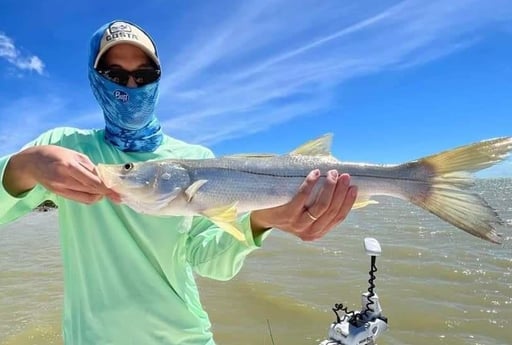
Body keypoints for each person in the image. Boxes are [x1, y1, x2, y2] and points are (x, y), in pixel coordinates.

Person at [0, 20, 357, 344]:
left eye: (143, 76)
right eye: (115, 74)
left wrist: (261, 221)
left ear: (158, 80)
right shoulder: (64, 148)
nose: (131, 85)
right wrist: (24, 166)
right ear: (95, 78)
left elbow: (209, 262)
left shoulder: (197, 157)